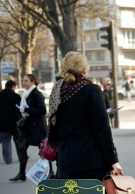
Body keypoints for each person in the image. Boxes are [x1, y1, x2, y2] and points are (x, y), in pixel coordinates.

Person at [50, 51, 122, 183]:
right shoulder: (91, 90)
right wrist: (113, 160)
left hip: (65, 161)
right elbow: (102, 129)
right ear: (84, 68)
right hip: (91, 160)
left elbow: (54, 127)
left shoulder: (57, 91)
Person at [10, 74, 48, 182]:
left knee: (43, 151)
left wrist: (27, 110)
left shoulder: (36, 94)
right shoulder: (26, 94)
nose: (23, 82)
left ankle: (49, 172)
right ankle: (21, 173)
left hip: (37, 127)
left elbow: (42, 110)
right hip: (28, 127)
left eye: (26, 80)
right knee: (21, 147)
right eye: (23, 80)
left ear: (33, 81)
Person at [0, 80, 21, 165]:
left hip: (2, 123)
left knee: (5, 141)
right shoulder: (16, 96)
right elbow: (20, 109)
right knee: (18, 141)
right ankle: (21, 157)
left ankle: (8, 159)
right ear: (13, 86)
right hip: (15, 123)